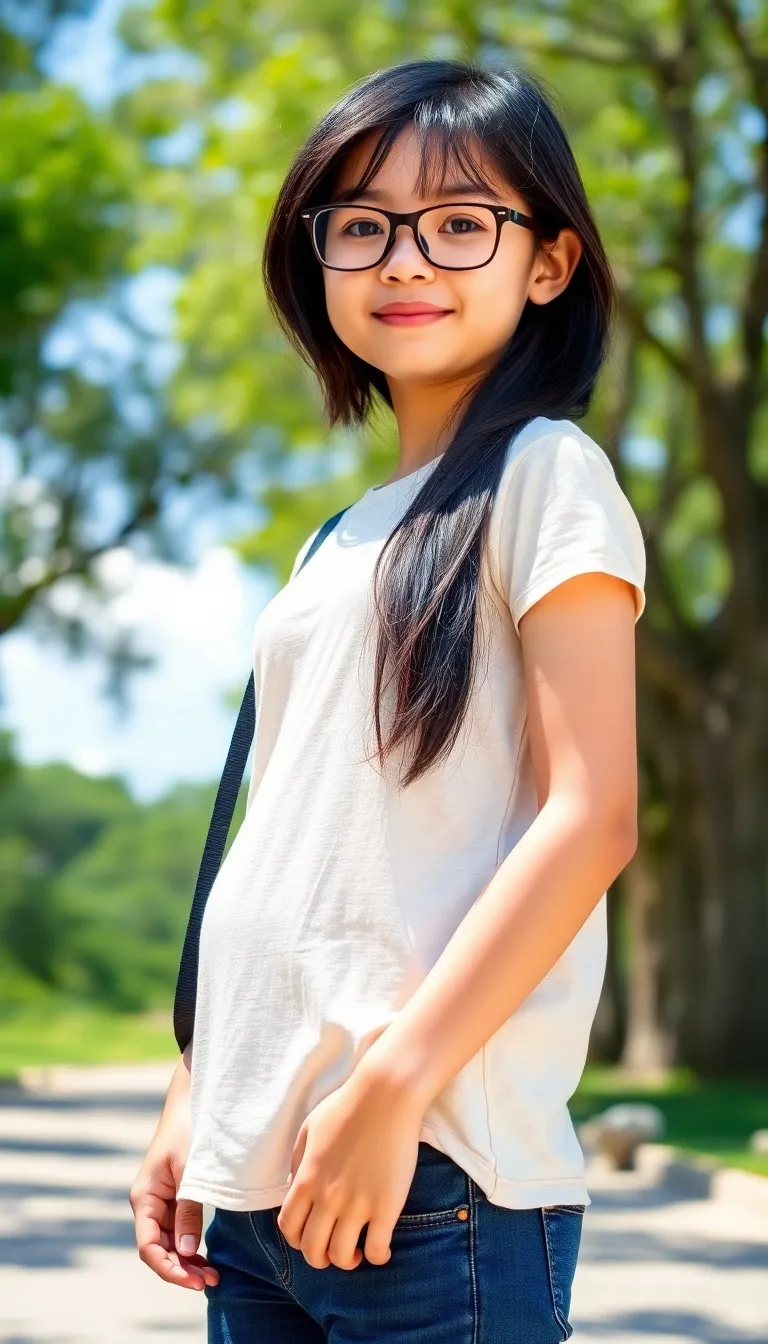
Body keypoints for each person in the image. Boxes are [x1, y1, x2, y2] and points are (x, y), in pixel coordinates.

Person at [130, 55, 647, 1343]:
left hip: (429, 1174)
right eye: (361, 225)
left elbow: (591, 817)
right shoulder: (337, 540)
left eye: (460, 223)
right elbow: (288, 842)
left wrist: (395, 1086)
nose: (404, 260)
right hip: (262, 1183)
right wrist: (200, 1086)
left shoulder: (548, 475)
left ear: (550, 262)